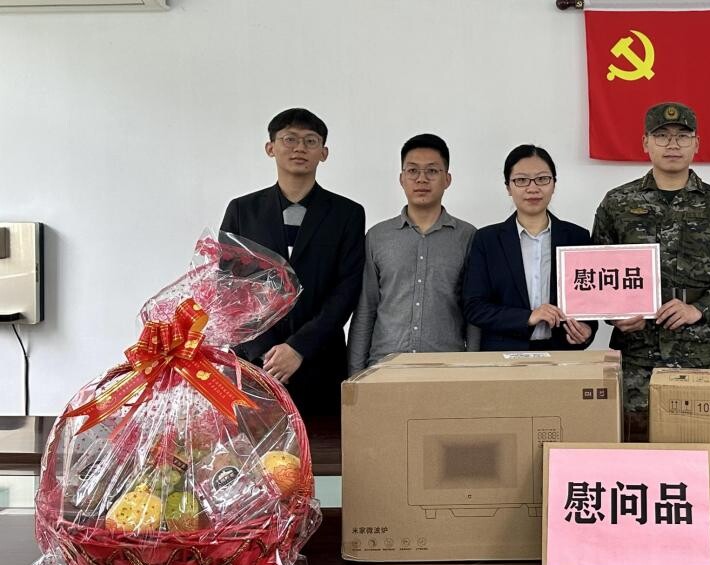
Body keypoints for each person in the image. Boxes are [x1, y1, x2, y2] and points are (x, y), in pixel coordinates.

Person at [591, 102, 710, 432]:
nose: (672, 144)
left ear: (696, 144)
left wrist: (699, 309)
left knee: (702, 443)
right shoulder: (617, 203)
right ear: (645, 143)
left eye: (682, 136)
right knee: (635, 444)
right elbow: (596, 273)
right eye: (662, 136)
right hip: (637, 357)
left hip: (700, 355)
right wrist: (616, 313)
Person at [221, 107, 365, 421]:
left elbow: (348, 287)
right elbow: (229, 289)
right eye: (290, 139)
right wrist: (267, 352)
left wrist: (299, 347)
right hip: (255, 364)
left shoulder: (347, 214)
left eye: (310, 141)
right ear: (270, 147)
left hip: (320, 361)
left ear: (324, 153)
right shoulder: (243, 211)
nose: (300, 148)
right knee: (252, 448)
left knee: (326, 449)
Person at [347, 133, 477, 374]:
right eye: (413, 171)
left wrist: (474, 368)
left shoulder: (467, 237)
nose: (421, 179)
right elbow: (366, 307)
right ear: (402, 178)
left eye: (432, 171)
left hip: (447, 368)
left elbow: (473, 311)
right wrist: (356, 373)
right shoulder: (378, 236)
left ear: (447, 179)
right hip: (385, 368)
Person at [463, 144, 597, 351]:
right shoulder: (487, 240)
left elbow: (590, 300)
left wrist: (586, 330)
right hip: (504, 356)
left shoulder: (577, 237)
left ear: (554, 184)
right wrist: (528, 317)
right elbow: (474, 307)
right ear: (508, 187)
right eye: (521, 180)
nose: (532, 188)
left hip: (562, 355)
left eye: (542, 179)